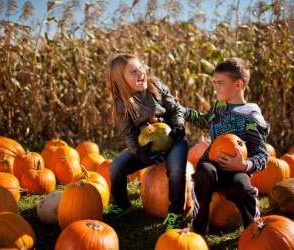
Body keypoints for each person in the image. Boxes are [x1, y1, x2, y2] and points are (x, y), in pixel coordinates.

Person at [180, 57, 270, 235]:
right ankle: (199, 228)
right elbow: (202, 120)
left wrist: (244, 165)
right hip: (212, 162)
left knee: (242, 189)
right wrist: (179, 109)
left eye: (220, 83)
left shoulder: (251, 117)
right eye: (214, 82)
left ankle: (254, 230)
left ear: (238, 85)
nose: (215, 87)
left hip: (237, 169)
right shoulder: (218, 108)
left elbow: (262, 155)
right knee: (203, 172)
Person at [105, 53, 188, 231]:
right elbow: (128, 133)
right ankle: (122, 203)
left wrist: (179, 126)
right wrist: (139, 152)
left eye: (141, 68)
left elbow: (175, 109)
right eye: (133, 72)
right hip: (149, 148)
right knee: (116, 167)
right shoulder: (122, 103)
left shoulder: (154, 85)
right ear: (121, 81)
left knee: (176, 167)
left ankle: (176, 212)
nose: (141, 73)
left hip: (174, 137)